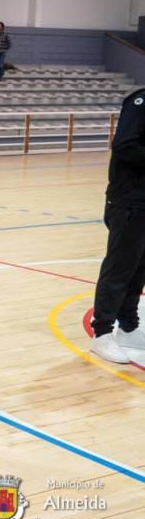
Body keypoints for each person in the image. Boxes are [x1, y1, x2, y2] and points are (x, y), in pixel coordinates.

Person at [88, 87, 145, 364]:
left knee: (139, 267)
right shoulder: (140, 102)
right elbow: (124, 145)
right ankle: (102, 332)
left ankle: (129, 325)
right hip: (129, 202)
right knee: (120, 267)